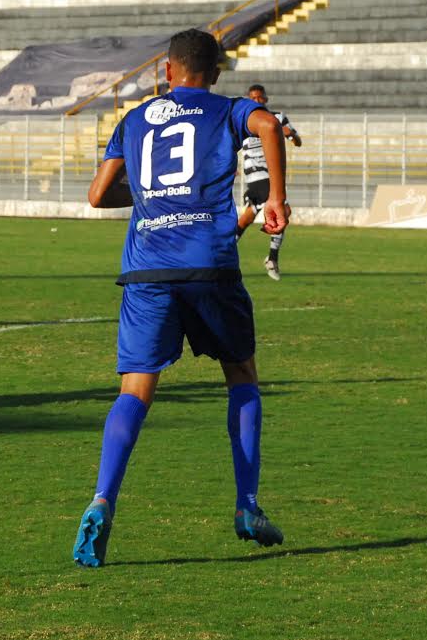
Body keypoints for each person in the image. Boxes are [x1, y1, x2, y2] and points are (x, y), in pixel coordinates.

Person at [73, 29, 290, 568]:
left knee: (135, 391)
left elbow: (99, 195)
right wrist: (278, 200)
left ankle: (102, 499)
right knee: (242, 377)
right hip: (210, 264)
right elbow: (267, 125)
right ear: (215, 72)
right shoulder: (226, 109)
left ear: (167, 71)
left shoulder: (133, 119)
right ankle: (247, 505)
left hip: (146, 269)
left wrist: (153, 194)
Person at [237, 84, 303, 281]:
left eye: (260, 97)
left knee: (247, 218)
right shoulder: (244, 121)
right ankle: (272, 258)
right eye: (253, 98)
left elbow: (297, 141)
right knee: (284, 210)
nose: (256, 101)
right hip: (255, 175)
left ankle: (223, 250)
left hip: (271, 174)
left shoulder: (277, 118)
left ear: (265, 98)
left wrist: (290, 134)